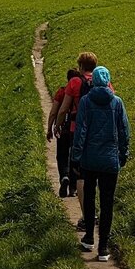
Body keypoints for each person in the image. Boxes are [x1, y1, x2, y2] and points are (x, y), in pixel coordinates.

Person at [70, 65, 129, 262]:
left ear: (93, 82)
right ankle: (103, 247)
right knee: (107, 203)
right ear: (108, 81)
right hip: (110, 160)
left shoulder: (86, 101)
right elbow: (124, 131)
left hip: (90, 159)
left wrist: (76, 156)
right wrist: (123, 154)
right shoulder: (117, 102)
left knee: (89, 198)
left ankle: (89, 237)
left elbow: (81, 130)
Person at [53, 52, 97, 220]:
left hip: (76, 129)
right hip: (97, 131)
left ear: (80, 66)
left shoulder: (75, 82)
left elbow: (64, 109)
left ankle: (86, 215)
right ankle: (94, 211)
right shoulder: (103, 81)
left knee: (79, 171)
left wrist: (57, 125)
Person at [46, 68, 81, 197]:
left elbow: (54, 112)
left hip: (63, 128)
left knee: (62, 154)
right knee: (73, 156)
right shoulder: (81, 92)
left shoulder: (61, 92)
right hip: (75, 129)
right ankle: (73, 188)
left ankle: (64, 177)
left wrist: (50, 128)